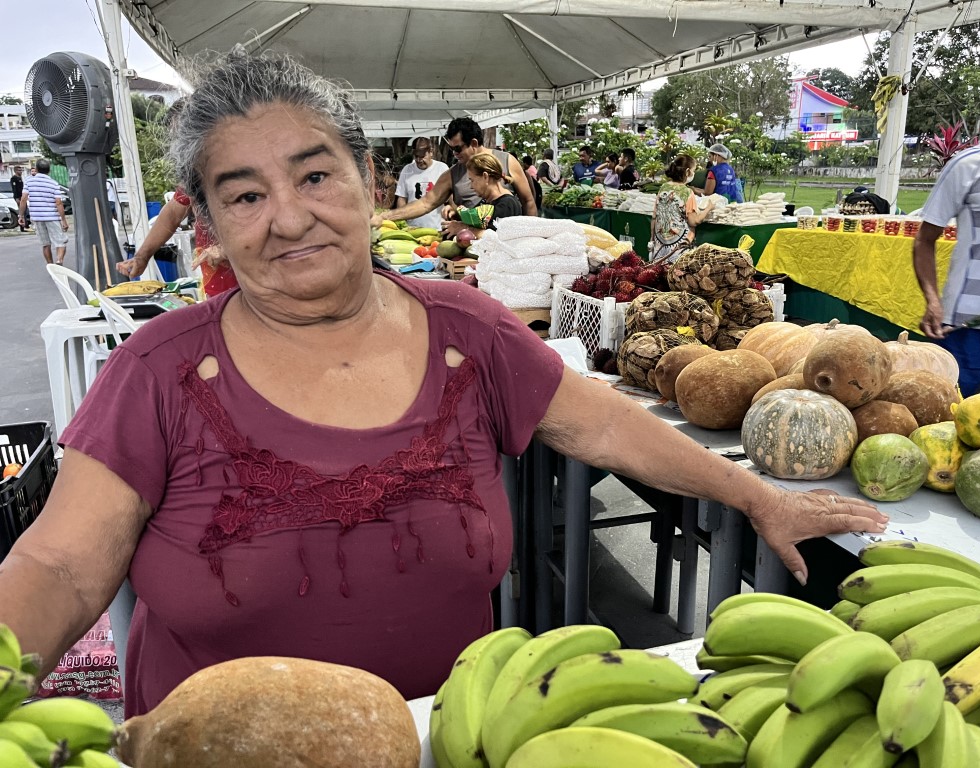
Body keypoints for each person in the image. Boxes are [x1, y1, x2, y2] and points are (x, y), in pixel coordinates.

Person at [0, 49, 885, 721]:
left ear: (368, 182)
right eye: (245, 196)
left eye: (315, 175)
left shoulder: (468, 332)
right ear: (211, 224)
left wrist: (758, 497)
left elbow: (607, 427)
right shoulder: (158, 370)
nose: (290, 218)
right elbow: (58, 566)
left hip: (444, 737)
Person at [914, 67, 980, 397]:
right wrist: (933, 301)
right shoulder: (971, 164)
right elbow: (924, 240)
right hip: (966, 325)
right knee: (944, 413)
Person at [375, 117, 537, 225]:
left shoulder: (507, 160)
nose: (454, 154)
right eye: (451, 149)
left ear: (474, 143)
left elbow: (528, 201)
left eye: (458, 148)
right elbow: (425, 203)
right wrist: (385, 216)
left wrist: (533, 241)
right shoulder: (452, 174)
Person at [116, 188, 238, 297]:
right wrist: (142, 257)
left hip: (245, 284)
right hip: (218, 287)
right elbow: (173, 214)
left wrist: (226, 249)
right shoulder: (196, 173)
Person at [651, 154, 716, 262]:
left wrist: (652, 239)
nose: (694, 174)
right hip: (679, 249)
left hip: (660, 246)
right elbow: (693, 221)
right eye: (693, 170)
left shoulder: (664, 187)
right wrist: (708, 208)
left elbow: (654, 217)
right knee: (676, 271)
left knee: (659, 271)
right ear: (687, 172)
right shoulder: (687, 192)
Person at [442, 153, 523, 238]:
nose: (471, 186)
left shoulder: (507, 205)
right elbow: (475, 219)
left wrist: (462, 228)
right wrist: (456, 213)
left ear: (485, 177)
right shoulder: (487, 201)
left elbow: (494, 237)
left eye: (472, 180)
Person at [18, 159, 68, 266]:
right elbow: (58, 202)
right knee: (60, 242)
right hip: (52, 216)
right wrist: (63, 220)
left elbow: (23, 199)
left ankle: (50, 265)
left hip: (37, 217)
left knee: (45, 244)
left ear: (36, 169)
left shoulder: (29, 182)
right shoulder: (53, 183)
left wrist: (21, 215)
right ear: (49, 170)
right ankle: (59, 261)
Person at [394, 137, 447, 230]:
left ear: (431, 152)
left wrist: (451, 207)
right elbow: (402, 197)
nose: (419, 160)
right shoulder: (407, 170)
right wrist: (402, 219)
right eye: (416, 156)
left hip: (437, 227)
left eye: (422, 156)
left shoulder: (442, 168)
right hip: (412, 227)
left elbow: (450, 196)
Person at [10, 166, 28, 232]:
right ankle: (22, 227)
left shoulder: (20, 178)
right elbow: (14, 189)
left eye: (21, 170)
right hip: (18, 197)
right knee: (21, 212)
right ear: (15, 171)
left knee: (25, 211)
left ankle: (26, 225)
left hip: (22, 196)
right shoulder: (14, 178)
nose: (21, 172)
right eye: (19, 170)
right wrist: (17, 198)